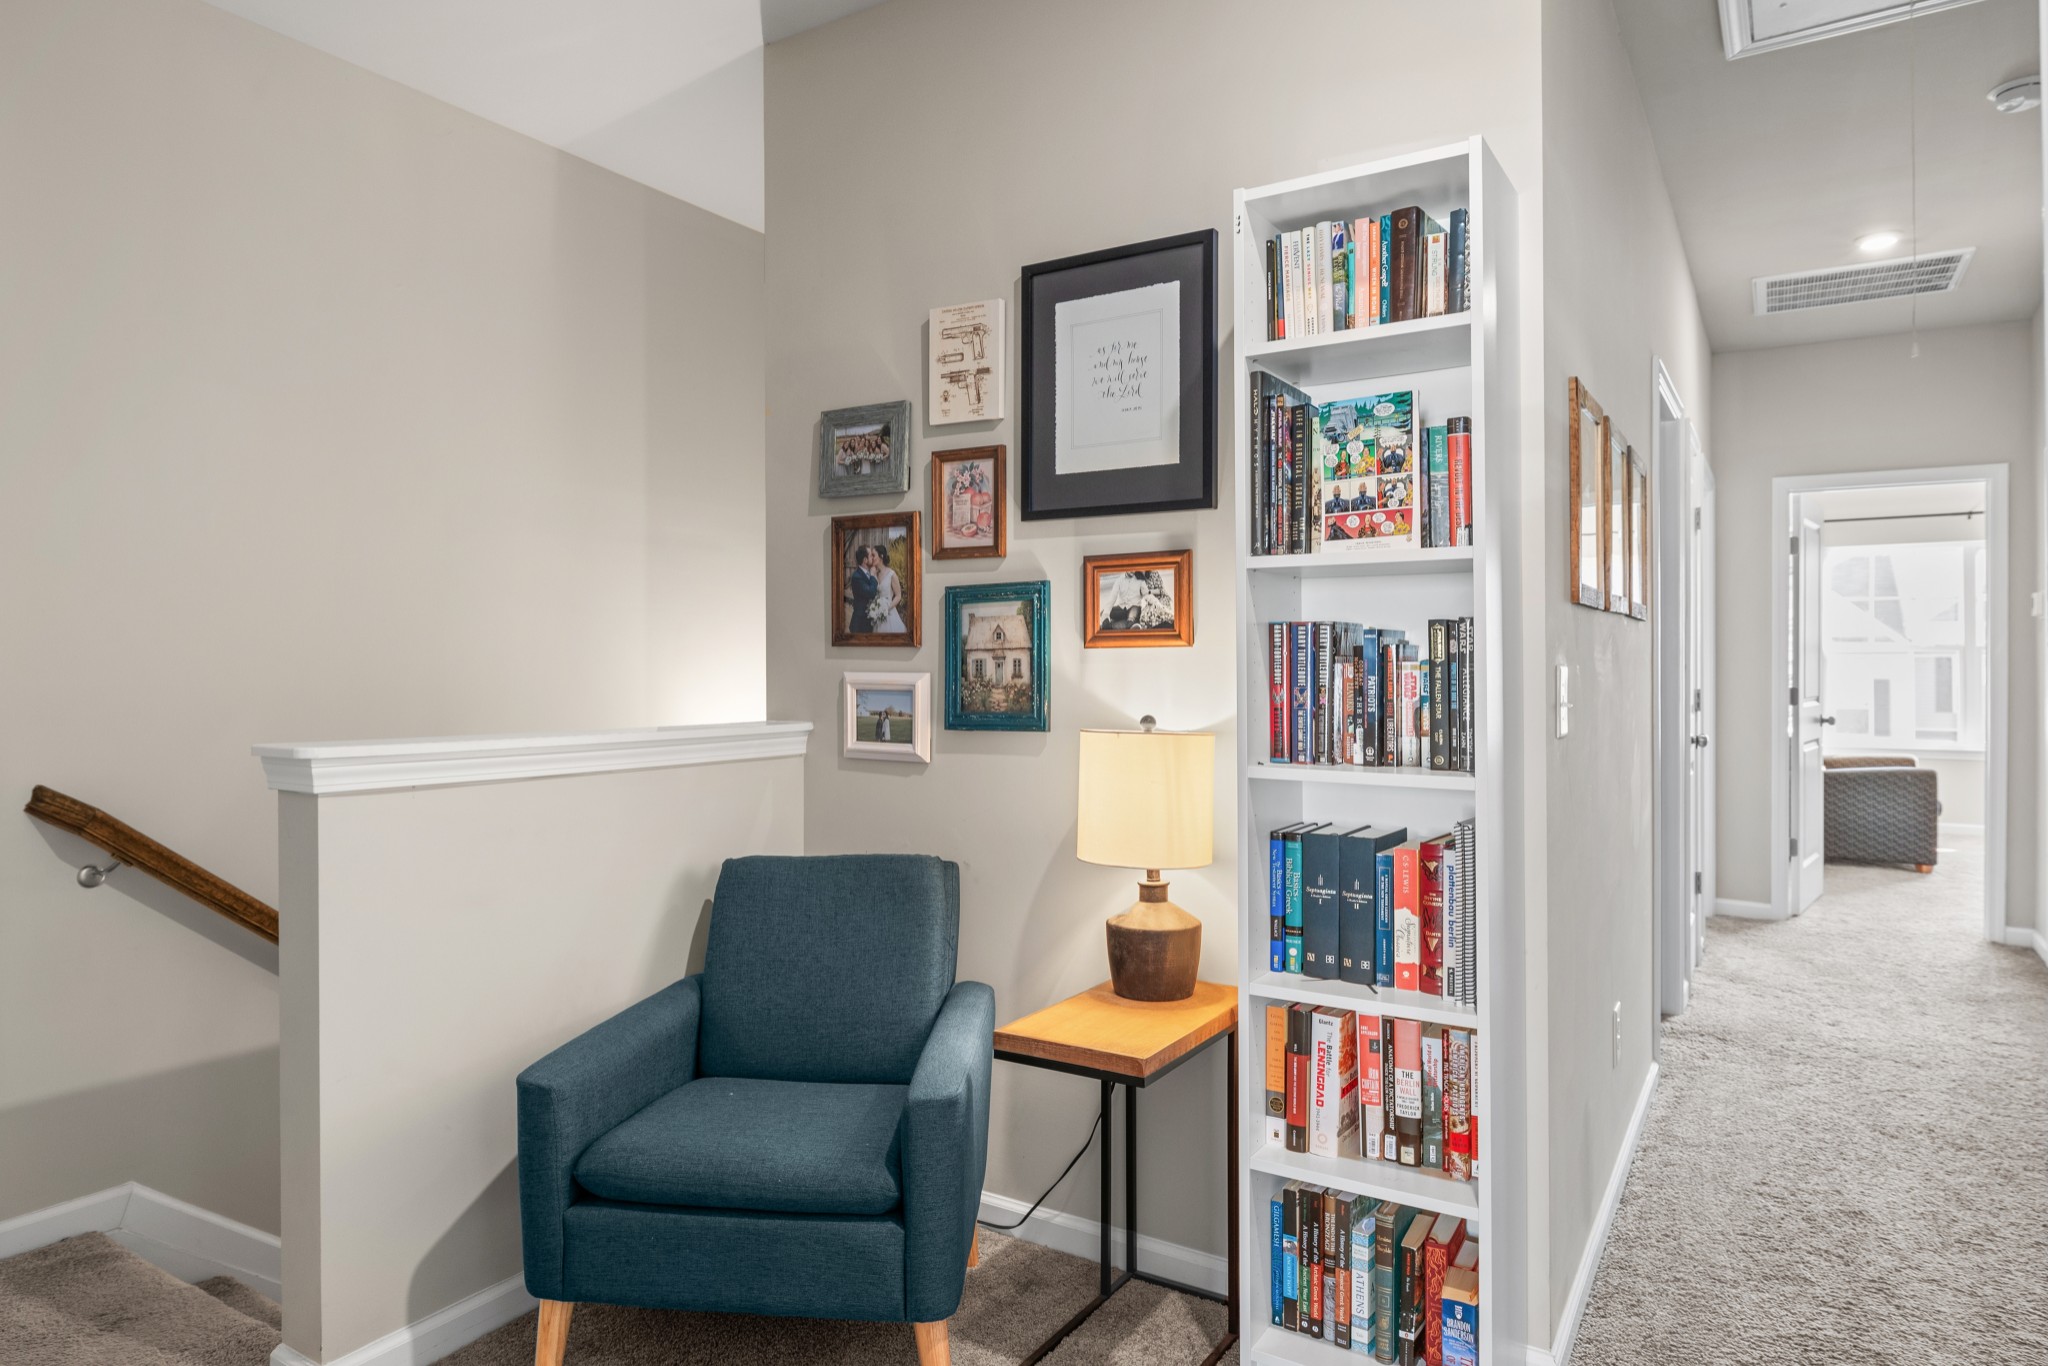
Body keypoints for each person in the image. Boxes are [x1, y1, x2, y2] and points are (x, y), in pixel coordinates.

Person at [866, 544, 906, 634]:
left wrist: (887, 608)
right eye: (871, 555)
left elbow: (898, 596)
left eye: (873, 555)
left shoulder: (892, 574)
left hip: (889, 613)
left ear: (881, 556)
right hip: (877, 615)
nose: (871, 558)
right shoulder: (873, 574)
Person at [847, 544, 879, 632]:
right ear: (865, 560)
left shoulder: (869, 572)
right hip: (860, 625)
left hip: (869, 623)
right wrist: (872, 576)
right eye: (870, 556)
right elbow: (871, 592)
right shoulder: (857, 577)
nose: (873, 557)